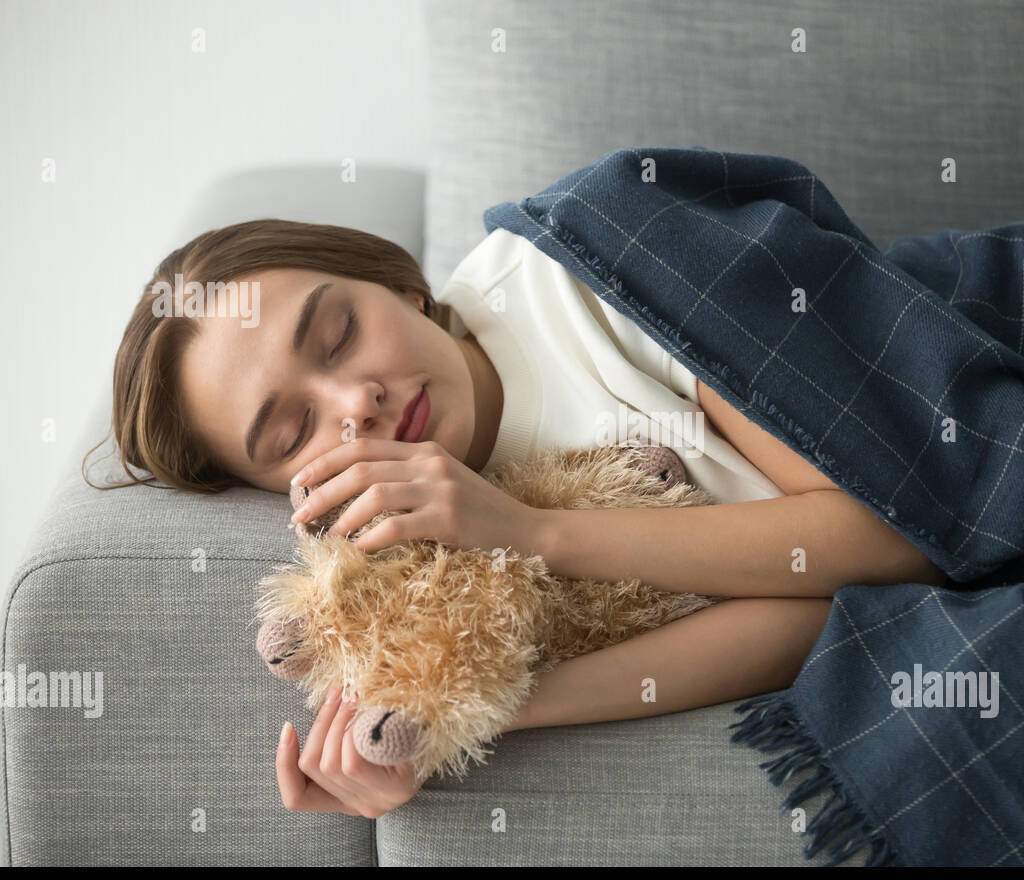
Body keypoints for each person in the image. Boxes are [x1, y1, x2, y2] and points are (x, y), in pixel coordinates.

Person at [86, 219, 946, 820]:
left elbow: (903, 538)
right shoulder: (420, 561)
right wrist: (457, 718)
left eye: (341, 332)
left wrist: (533, 533)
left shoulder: (578, 282)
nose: (357, 402)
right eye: (292, 432)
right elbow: (817, 617)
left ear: (397, 284)